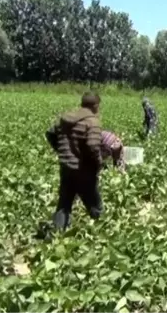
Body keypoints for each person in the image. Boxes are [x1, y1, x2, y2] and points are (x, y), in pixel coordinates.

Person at [45, 92, 103, 231]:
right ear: (95, 106)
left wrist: (61, 150)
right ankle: (102, 233)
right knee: (94, 204)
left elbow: (51, 133)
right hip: (83, 169)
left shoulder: (66, 118)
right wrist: (99, 163)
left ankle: (57, 235)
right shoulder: (92, 121)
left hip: (66, 167)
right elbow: (93, 146)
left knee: (64, 203)